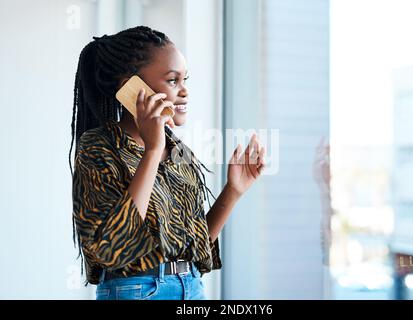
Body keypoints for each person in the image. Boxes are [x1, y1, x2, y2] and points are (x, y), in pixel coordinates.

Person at [70, 26, 266, 300]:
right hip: (137, 290)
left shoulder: (177, 151)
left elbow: (195, 246)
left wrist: (233, 191)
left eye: (185, 79)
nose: (184, 91)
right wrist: (152, 151)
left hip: (191, 286)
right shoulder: (99, 147)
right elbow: (111, 248)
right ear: (130, 87)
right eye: (172, 80)